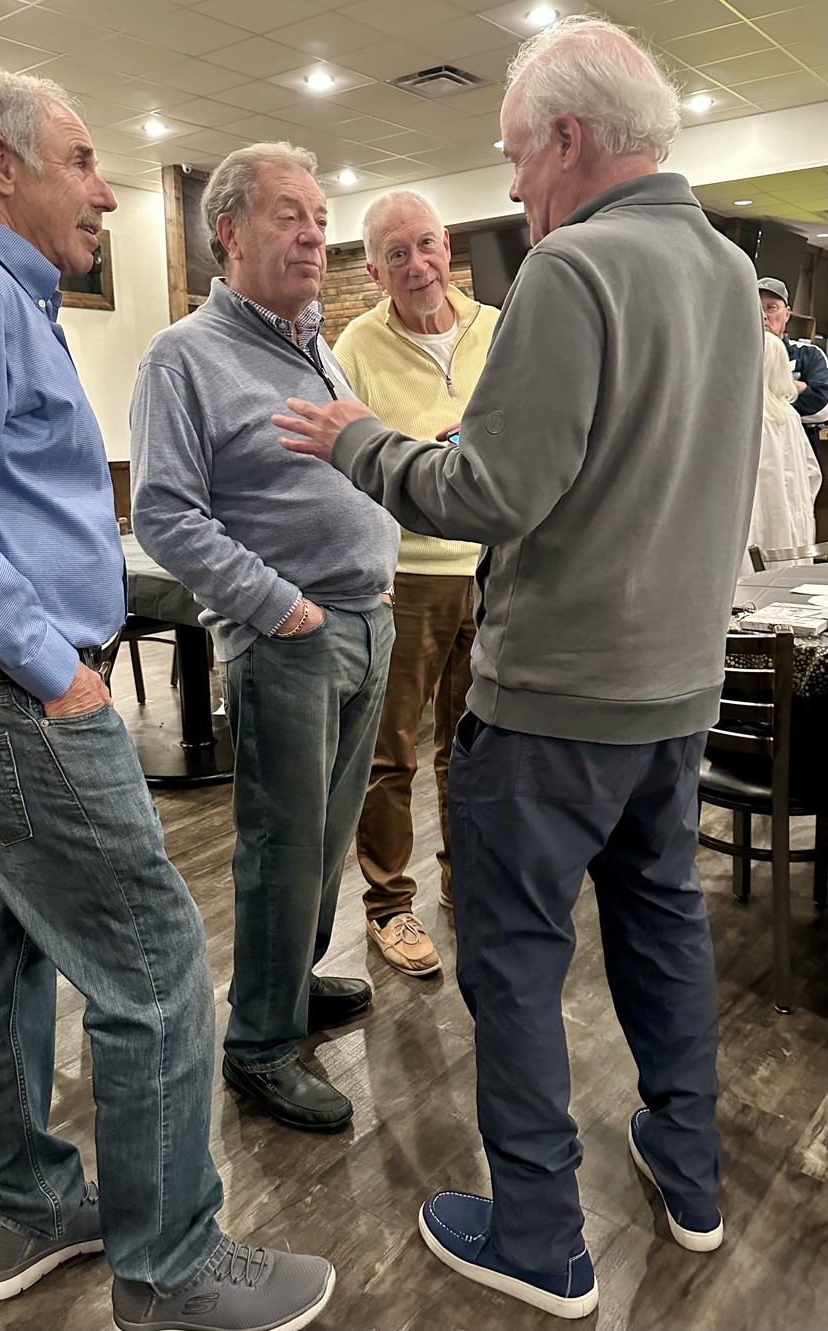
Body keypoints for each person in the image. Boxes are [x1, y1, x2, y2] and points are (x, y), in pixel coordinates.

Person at [273, 14, 764, 1320]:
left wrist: (358, 439)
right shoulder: (727, 271)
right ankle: (691, 1172)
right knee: (662, 926)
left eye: (512, 155)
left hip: (553, 704)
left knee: (513, 959)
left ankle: (542, 1236)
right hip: (679, 692)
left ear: (567, 138)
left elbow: (486, 494)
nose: (510, 183)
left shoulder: (571, 267)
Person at [0, 73, 334, 1331]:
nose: (107, 192)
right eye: (81, 160)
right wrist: (55, 666)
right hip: (12, 692)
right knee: (154, 962)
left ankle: (25, 1204)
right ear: (0, 166)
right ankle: (170, 1269)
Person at [129, 142, 399, 1134]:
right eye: (291, 214)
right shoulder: (184, 356)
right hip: (291, 635)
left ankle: (289, 982)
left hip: (364, 621)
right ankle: (258, 1045)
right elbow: (165, 512)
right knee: (281, 848)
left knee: (325, 839)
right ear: (229, 230)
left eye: (321, 217)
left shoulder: (312, 343)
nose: (315, 234)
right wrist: (277, 604)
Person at [332, 191, 498, 977]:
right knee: (389, 753)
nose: (416, 264)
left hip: (494, 571)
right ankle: (389, 904)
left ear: (448, 245)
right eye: (395, 254)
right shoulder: (355, 348)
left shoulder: (497, 327)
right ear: (374, 272)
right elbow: (339, 466)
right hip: (405, 577)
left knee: (473, 746)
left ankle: (467, 878)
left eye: (425, 244)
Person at [742, 331, 822, 574]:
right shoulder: (790, 416)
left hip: (750, 525)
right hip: (792, 526)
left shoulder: (743, 417)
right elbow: (812, 473)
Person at [758, 277, 828, 448]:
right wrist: (792, 387)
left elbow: (821, 407)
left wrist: (762, 392)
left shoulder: (809, 355)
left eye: (771, 308)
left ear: (787, 314)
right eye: (757, 308)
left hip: (795, 449)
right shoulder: (736, 357)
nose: (763, 316)